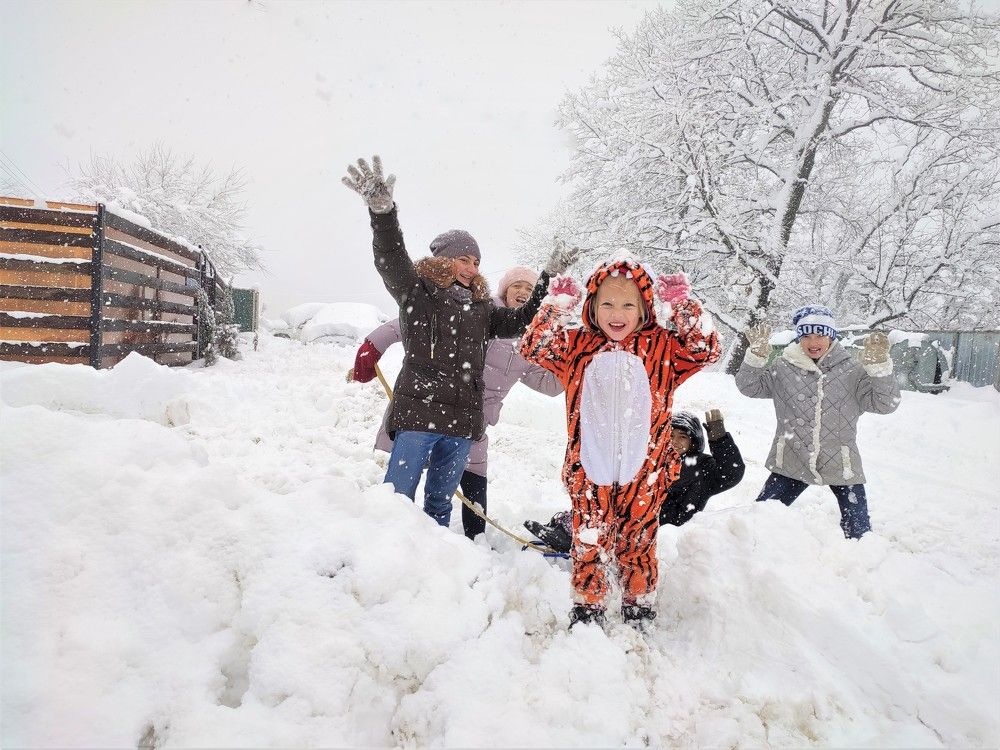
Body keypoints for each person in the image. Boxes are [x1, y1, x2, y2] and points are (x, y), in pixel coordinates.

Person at [342, 156, 576, 529]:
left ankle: (436, 571)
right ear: (443, 260)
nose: (472, 268)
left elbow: (522, 320)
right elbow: (390, 258)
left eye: (477, 261)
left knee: (439, 506)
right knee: (396, 502)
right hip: (418, 414)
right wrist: (383, 214)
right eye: (463, 259)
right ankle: (387, 562)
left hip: (462, 422)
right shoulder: (417, 293)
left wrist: (548, 277)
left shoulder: (482, 309)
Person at [520, 259, 721, 628]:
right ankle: (588, 607)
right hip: (589, 469)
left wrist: (682, 304)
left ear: (645, 308)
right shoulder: (577, 345)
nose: (617, 314)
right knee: (590, 539)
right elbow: (533, 346)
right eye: (607, 304)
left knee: (639, 541)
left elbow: (705, 349)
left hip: (645, 472)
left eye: (628, 305)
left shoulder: (662, 347)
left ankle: (638, 605)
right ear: (591, 307)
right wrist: (555, 306)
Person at [350, 264, 564, 539]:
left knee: (473, 479)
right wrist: (374, 344)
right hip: (436, 408)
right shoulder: (482, 312)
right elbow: (408, 321)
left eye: (529, 289)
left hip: (474, 423)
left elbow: (547, 383)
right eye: (516, 286)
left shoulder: (529, 338)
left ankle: (472, 543)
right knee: (405, 481)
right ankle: (391, 537)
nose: (522, 292)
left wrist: (574, 368)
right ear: (504, 290)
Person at [735, 305, 900, 539]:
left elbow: (886, 404)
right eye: (806, 335)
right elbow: (748, 386)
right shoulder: (783, 367)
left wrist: (879, 370)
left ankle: (860, 570)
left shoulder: (853, 370)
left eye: (820, 334)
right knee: (757, 524)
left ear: (831, 336)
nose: (813, 341)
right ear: (799, 337)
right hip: (792, 458)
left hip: (841, 461)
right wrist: (756, 357)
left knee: (860, 535)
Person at [525, 408, 745, 553]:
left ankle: (574, 536)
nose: (675, 442)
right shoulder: (653, 459)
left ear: (693, 442)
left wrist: (720, 439)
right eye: (670, 435)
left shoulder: (702, 467)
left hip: (668, 529)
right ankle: (569, 526)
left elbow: (732, 473)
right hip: (639, 518)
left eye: (683, 437)